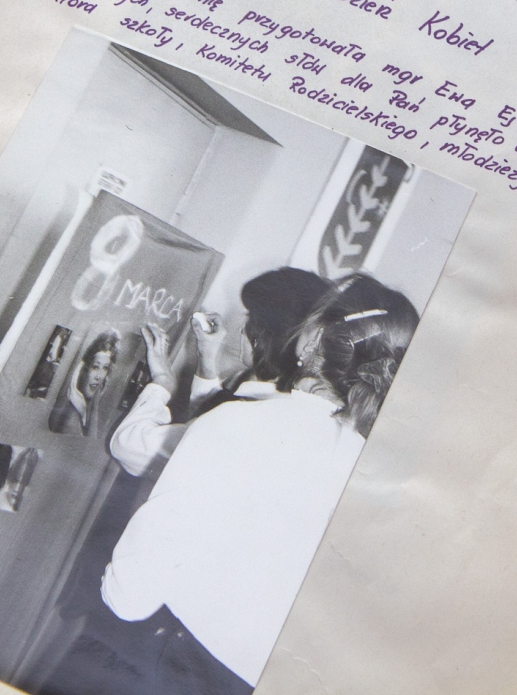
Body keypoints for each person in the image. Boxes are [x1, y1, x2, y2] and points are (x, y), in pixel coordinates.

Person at [80, 274, 420, 695]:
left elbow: (128, 597)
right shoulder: (377, 475)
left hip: (182, 667)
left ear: (313, 339)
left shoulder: (242, 423)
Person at [109, 267, 332, 476]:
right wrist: (207, 358)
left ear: (266, 336)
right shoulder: (287, 407)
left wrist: (162, 382)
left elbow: (128, 446)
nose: (241, 329)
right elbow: (207, 421)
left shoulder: (241, 419)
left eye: (249, 318)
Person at [48, 330, 118, 435]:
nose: (98, 377)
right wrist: (95, 405)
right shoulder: (71, 419)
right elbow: (89, 443)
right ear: (84, 370)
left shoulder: (82, 411)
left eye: (105, 368)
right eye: (95, 367)